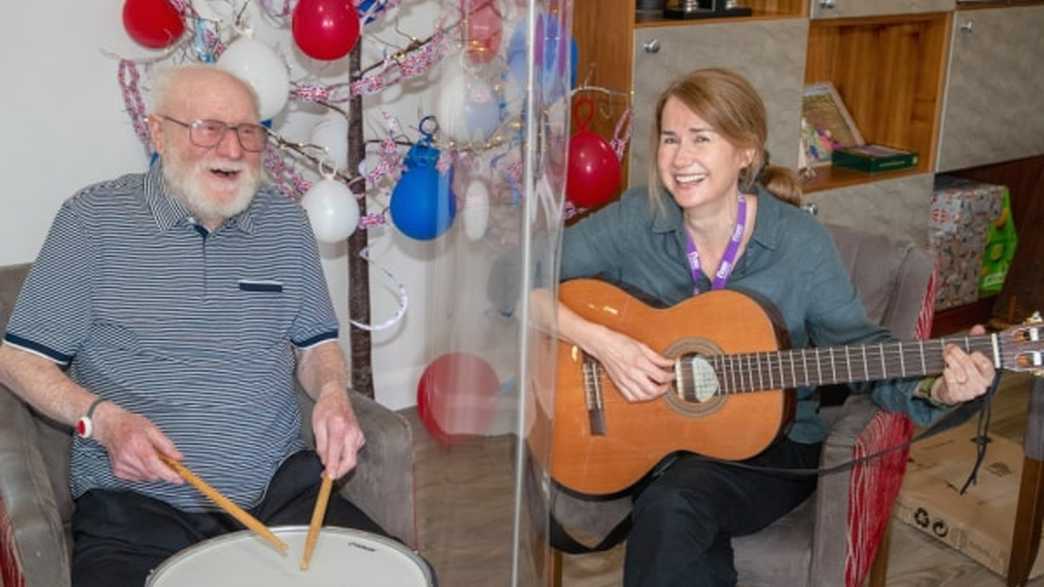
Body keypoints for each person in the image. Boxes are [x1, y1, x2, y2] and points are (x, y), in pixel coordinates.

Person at [553, 68, 996, 587]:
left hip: (771, 449)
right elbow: (512, 282)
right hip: (649, 439)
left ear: (746, 152)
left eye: (701, 138)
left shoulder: (799, 244)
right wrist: (604, 343)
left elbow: (860, 350)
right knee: (675, 510)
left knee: (674, 507)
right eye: (670, 139)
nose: (679, 158)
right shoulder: (638, 218)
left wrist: (939, 386)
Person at [0, 65, 385, 586]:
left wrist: (335, 392)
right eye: (208, 127)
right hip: (136, 510)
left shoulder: (285, 224)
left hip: (281, 494)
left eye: (248, 132)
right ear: (158, 132)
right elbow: (19, 358)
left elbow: (316, 347)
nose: (232, 150)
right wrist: (103, 421)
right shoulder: (92, 221)